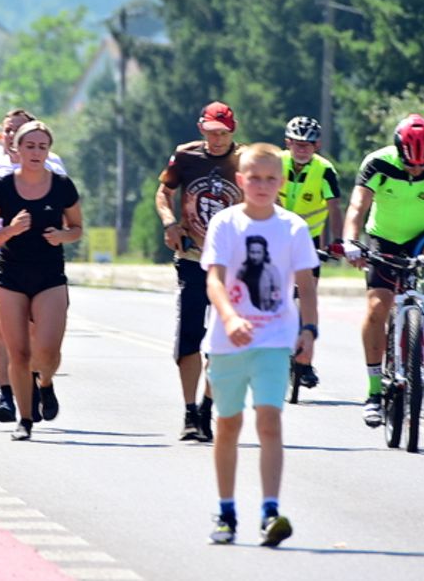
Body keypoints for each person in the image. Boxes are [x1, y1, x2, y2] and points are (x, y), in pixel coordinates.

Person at [202, 143, 318, 546]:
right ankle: (226, 511)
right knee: (228, 424)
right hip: (227, 340)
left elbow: (305, 284)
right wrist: (230, 317)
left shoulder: (292, 227)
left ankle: (270, 511)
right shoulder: (225, 224)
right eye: (254, 177)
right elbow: (214, 279)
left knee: (269, 420)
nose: (262, 185)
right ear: (240, 181)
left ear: (281, 183)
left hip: (273, 339)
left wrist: (309, 330)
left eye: (270, 178)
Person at [343, 114, 424, 428]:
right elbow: (357, 206)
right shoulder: (378, 163)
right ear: (398, 149)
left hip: (423, 233)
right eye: (410, 163)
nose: (416, 169)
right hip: (383, 237)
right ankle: (374, 392)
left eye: (422, 163)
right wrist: (351, 240)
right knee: (377, 308)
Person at [0, 121, 83, 441]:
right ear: (16, 150)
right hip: (10, 276)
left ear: (49, 150)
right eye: (30, 146)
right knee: (18, 352)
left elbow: (77, 228)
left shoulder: (63, 186)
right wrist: (9, 230)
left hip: (49, 276)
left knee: (48, 352)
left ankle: (45, 383)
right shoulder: (2, 188)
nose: (36, 152)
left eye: (42, 147)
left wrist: (62, 235)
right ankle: (25, 419)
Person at [155, 101, 243, 442]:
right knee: (189, 338)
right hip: (192, 258)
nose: (216, 140)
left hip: (233, 266)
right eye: (210, 133)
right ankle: (190, 412)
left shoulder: (245, 159)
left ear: (232, 131)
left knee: (225, 344)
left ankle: (208, 406)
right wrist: (170, 223)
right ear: (201, 129)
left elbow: (268, 200)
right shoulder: (186, 157)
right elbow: (164, 192)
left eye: (222, 133)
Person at [277, 115, 343, 389]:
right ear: (288, 143)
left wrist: (338, 241)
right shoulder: (275, 162)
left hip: (308, 239)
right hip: (275, 236)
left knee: (308, 297)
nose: (302, 149)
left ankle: (304, 363)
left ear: (317, 145)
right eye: (297, 143)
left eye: (308, 144)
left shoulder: (325, 169)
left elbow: (334, 208)